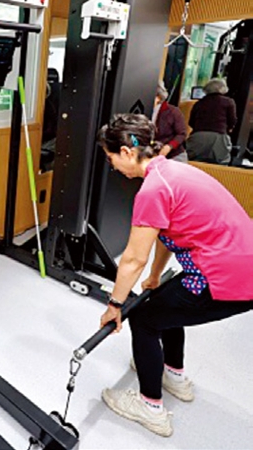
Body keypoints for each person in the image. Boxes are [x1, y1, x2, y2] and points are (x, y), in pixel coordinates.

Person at [96, 113, 253, 437]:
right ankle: (175, 376)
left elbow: (132, 260)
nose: (112, 166)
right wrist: (155, 276)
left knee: (143, 320)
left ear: (126, 152)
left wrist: (115, 306)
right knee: (166, 302)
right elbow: (166, 233)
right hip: (240, 265)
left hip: (225, 276)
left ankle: (151, 407)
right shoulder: (174, 171)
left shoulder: (152, 190)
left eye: (111, 158)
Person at [186, 78, 237, 164]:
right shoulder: (229, 102)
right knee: (221, 163)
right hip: (219, 137)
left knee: (189, 161)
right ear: (222, 89)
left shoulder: (199, 103)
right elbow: (232, 120)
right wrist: (229, 129)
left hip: (198, 137)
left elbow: (191, 122)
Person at [152, 81, 188, 162]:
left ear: (158, 97)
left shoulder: (173, 111)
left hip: (174, 156)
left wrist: (169, 147)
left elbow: (182, 134)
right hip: (152, 156)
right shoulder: (142, 111)